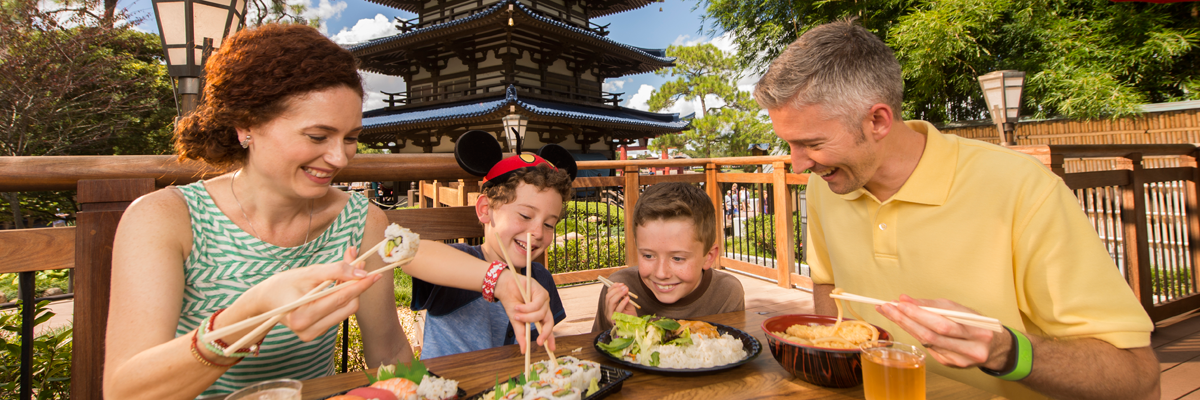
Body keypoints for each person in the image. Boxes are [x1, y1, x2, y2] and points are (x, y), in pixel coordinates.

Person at [103, 24, 555, 400]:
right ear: (246, 124)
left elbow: (388, 348)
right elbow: (124, 390)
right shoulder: (166, 218)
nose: (340, 159)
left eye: (351, 137)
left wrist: (501, 282)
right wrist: (251, 312)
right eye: (318, 136)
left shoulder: (356, 219)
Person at [754, 20, 1159, 399]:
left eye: (812, 143)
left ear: (877, 120)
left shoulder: (1022, 189)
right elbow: (828, 284)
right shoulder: (828, 186)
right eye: (790, 144)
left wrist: (1006, 352)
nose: (799, 163)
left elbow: (1138, 377)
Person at [401, 131, 573, 360]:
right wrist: (497, 279)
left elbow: (546, 344)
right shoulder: (459, 261)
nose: (538, 233)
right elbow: (410, 253)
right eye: (524, 215)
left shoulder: (540, 279)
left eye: (550, 224)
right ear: (485, 210)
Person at [592, 182, 744, 333]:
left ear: (709, 257)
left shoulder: (726, 293)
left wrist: (639, 331)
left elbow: (730, 352)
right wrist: (624, 332)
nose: (661, 273)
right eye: (648, 255)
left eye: (677, 258)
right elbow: (592, 354)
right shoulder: (619, 289)